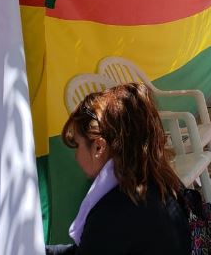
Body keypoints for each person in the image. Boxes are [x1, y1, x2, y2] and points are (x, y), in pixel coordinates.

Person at [47, 83, 189, 255]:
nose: (76, 156)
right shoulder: (162, 183)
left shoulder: (111, 214)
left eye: (77, 146)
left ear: (99, 147)